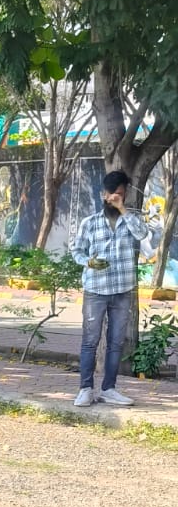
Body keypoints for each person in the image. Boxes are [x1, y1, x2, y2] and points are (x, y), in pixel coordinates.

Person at [70, 168, 151, 407]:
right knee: (90, 341)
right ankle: (85, 389)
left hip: (122, 290)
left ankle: (109, 389)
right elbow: (76, 250)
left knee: (116, 343)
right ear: (103, 194)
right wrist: (88, 262)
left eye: (120, 194)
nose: (115, 197)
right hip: (96, 289)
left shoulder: (131, 220)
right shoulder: (90, 223)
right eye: (112, 193)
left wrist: (123, 209)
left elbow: (142, 234)